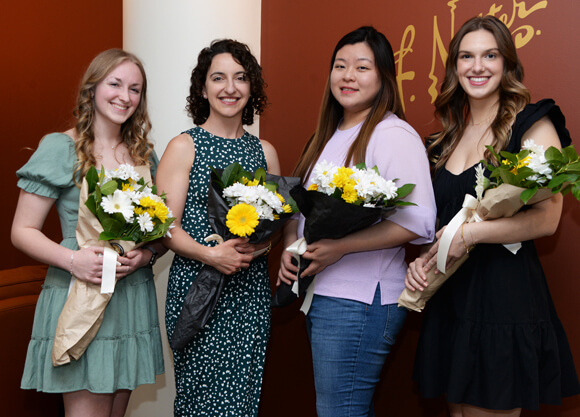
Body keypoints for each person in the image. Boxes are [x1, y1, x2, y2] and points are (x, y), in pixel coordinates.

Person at [405, 15, 580, 416]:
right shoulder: (442, 139)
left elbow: (547, 220)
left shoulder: (532, 123)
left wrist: (471, 235)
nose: (477, 66)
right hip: (452, 297)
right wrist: (423, 260)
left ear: (507, 65)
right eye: (466, 56)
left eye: (490, 55)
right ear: (454, 67)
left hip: (505, 300)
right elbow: (441, 224)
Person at [277, 26, 436, 417]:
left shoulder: (393, 133)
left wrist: (339, 247)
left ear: (383, 77)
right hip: (328, 294)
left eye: (362, 67)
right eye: (340, 65)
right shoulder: (328, 136)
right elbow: (305, 214)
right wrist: (289, 248)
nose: (348, 75)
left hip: (363, 299)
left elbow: (418, 221)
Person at [11, 49, 165, 417]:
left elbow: (159, 232)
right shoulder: (61, 147)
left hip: (129, 300)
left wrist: (147, 254)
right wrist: (74, 260)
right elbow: (22, 230)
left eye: (134, 89)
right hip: (77, 293)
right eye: (114, 84)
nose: (124, 96)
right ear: (92, 88)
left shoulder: (144, 155)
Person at [156, 39, 280, 417]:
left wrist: (255, 249)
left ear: (252, 87)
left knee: (242, 401)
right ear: (203, 88)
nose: (230, 88)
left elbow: (272, 229)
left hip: (249, 294)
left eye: (241, 78)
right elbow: (164, 228)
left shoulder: (265, 152)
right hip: (198, 291)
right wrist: (212, 254)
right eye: (219, 78)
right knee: (199, 401)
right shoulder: (183, 146)